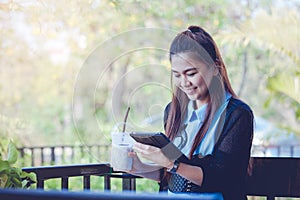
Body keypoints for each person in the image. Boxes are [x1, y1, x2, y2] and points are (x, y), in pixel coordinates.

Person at [123, 25, 254, 200]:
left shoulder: (237, 114)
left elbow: (223, 178)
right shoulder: (173, 112)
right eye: (177, 75)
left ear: (215, 68)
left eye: (191, 73)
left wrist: (171, 163)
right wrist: (137, 166)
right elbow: (172, 180)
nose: (184, 83)